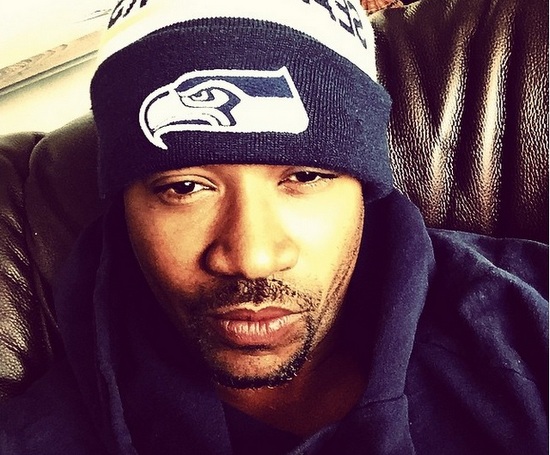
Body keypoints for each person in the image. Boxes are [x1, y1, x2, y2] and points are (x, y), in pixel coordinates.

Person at [0, 0, 547, 453]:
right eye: (184, 187)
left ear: (364, 190)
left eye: (305, 176)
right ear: (124, 207)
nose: (252, 257)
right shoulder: (35, 436)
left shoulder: (529, 315)